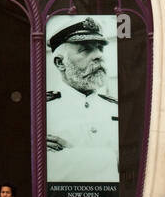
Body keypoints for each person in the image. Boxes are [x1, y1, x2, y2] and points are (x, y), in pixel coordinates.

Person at [46, 17, 118, 182]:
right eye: (85, 50)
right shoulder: (42, 111)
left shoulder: (114, 107)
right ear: (60, 63)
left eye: (100, 48)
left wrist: (74, 157)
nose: (99, 55)